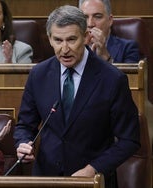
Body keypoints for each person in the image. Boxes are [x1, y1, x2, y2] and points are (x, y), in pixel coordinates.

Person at [13, 5, 140, 188]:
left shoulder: (112, 79)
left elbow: (129, 140)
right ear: (49, 39)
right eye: (58, 40)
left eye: (72, 39)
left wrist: (94, 168)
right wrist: (23, 143)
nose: (64, 49)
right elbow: (25, 124)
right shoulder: (38, 74)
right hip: (47, 178)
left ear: (86, 37)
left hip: (92, 180)